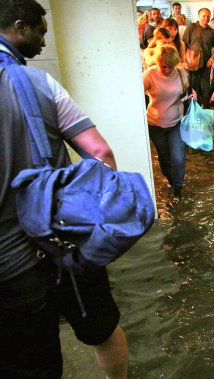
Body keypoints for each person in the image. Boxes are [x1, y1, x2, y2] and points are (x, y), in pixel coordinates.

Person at [0, 0, 127, 378]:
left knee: (31, 360)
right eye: (40, 30)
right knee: (103, 330)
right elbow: (101, 153)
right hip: (65, 245)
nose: (43, 39)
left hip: (8, 267)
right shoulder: (39, 83)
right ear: (19, 28)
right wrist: (102, 218)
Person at [143, 45, 191, 198]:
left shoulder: (181, 73)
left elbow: (186, 93)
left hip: (176, 122)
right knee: (164, 160)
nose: (167, 70)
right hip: (155, 125)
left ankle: (178, 190)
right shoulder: (149, 75)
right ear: (157, 62)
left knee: (178, 159)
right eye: (164, 66)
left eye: (171, 66)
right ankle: (171, 179)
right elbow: (136, 95)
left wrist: (192, 96)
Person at [181, 7, 214, 109]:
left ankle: (205, 111)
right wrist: (184, 59)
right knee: (193, 88)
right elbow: (184, 43)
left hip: (206, 64)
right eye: (204, 16)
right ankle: (192, 111)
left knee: (205, 89)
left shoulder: (211, 31)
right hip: (192, 64)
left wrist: (212, 59)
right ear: (199, 16)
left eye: (208, 16)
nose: (206, 18)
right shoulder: (191, 27)